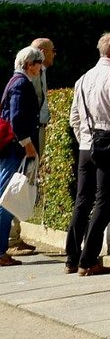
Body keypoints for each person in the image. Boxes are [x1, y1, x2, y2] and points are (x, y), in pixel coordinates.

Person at [65, 33, 110, 276]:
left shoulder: (83, 79)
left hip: (86, 146)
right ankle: (88, 260)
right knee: (103, 203)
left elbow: (74, 117)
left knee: (82, 201)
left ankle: (72, 258)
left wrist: (84, 138)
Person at [0, 48, 45, 267]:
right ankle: (0, 252)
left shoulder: (15, 81)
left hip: (10, 148)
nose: (41, 68)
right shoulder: (21, 84)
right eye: (39, 63)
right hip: (15, 149)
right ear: (29, 64)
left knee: (6, 195)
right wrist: (28, 145)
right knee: (7, 199)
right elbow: (17, 119)